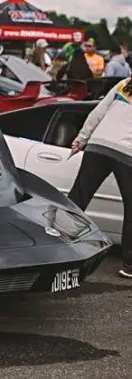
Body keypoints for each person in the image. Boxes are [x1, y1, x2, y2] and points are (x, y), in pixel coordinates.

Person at [68, 77, 132, 278]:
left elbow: (98, 112)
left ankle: (57, 249)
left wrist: (81, 138)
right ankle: (130, 263)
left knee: (78, 198)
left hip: (98, 145)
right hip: (126, 152)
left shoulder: (126, 83)